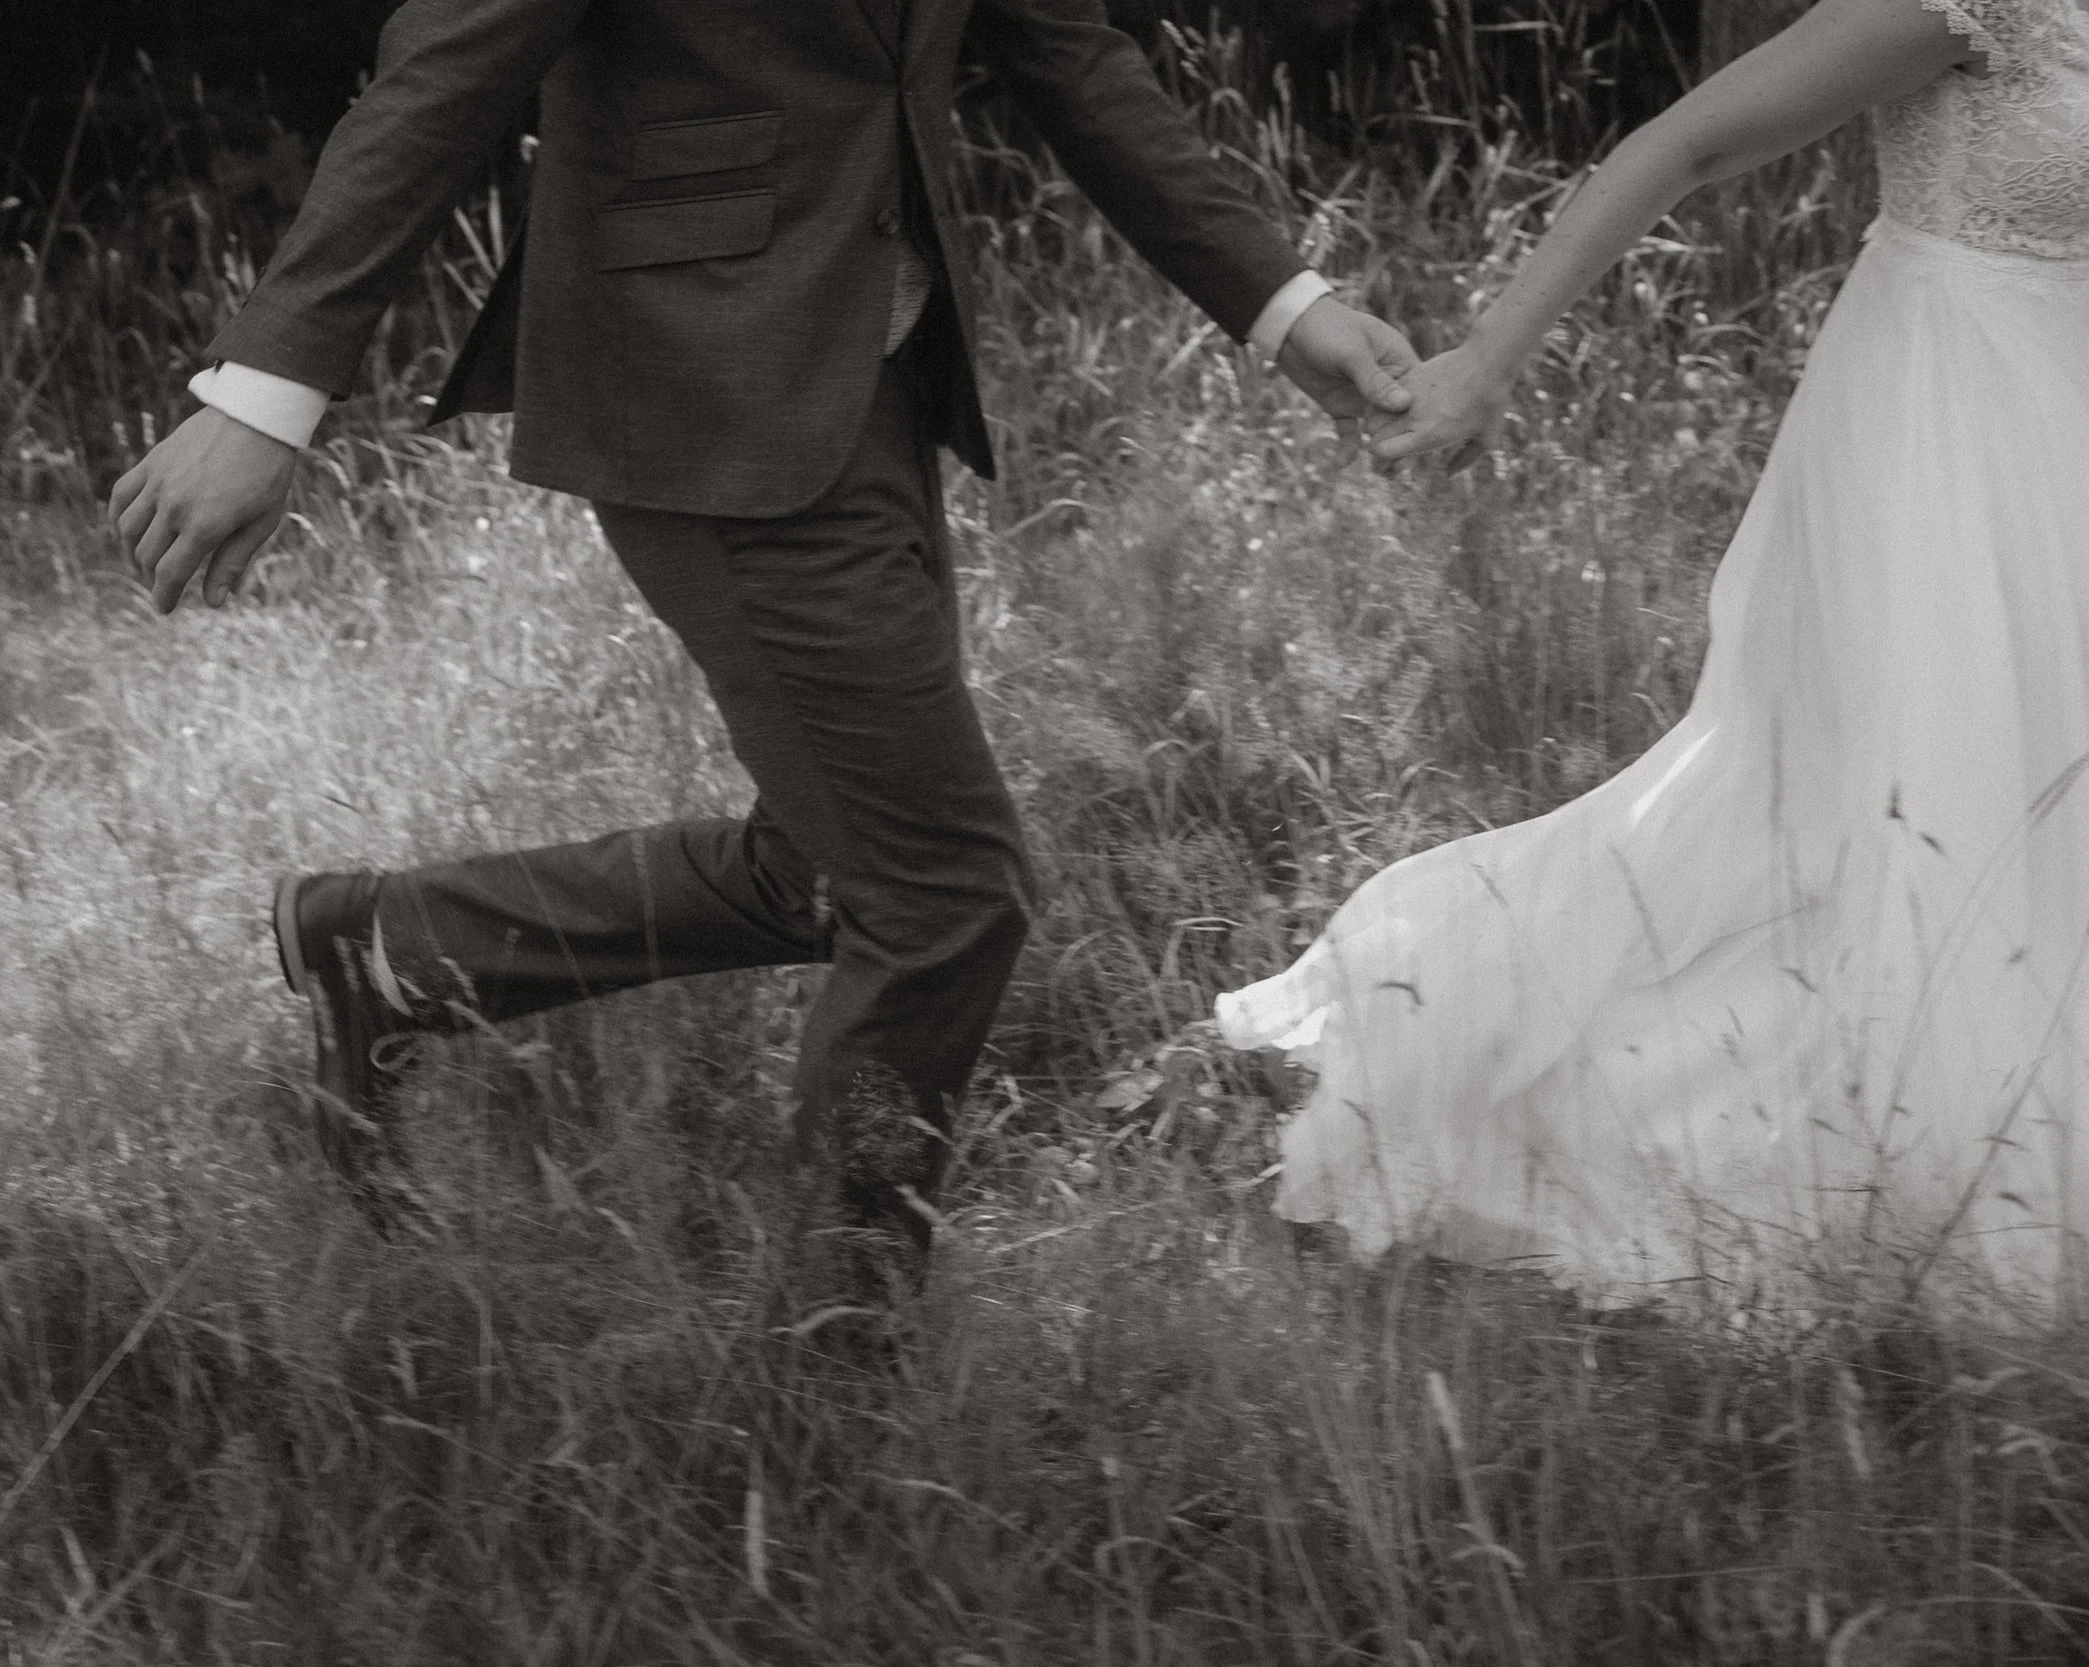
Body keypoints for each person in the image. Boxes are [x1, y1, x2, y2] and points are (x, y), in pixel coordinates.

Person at [109, 0, 1420, 1265]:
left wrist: (1284, 307)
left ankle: (388, 948)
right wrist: (268, 394)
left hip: (873, 378)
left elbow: (1067, 52)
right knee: (944, 897)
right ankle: (834, 1378)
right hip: (700, 379)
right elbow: (440, 73)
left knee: (830, 861)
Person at [1220, 0, 2089, 1335]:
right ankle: (1876, 1133)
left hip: (2072, 406)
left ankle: (2039, 1081)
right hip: (1938, 413)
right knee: (1932, 794)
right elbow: (1689, 143)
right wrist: (1486, 364)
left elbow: (2081, 158)